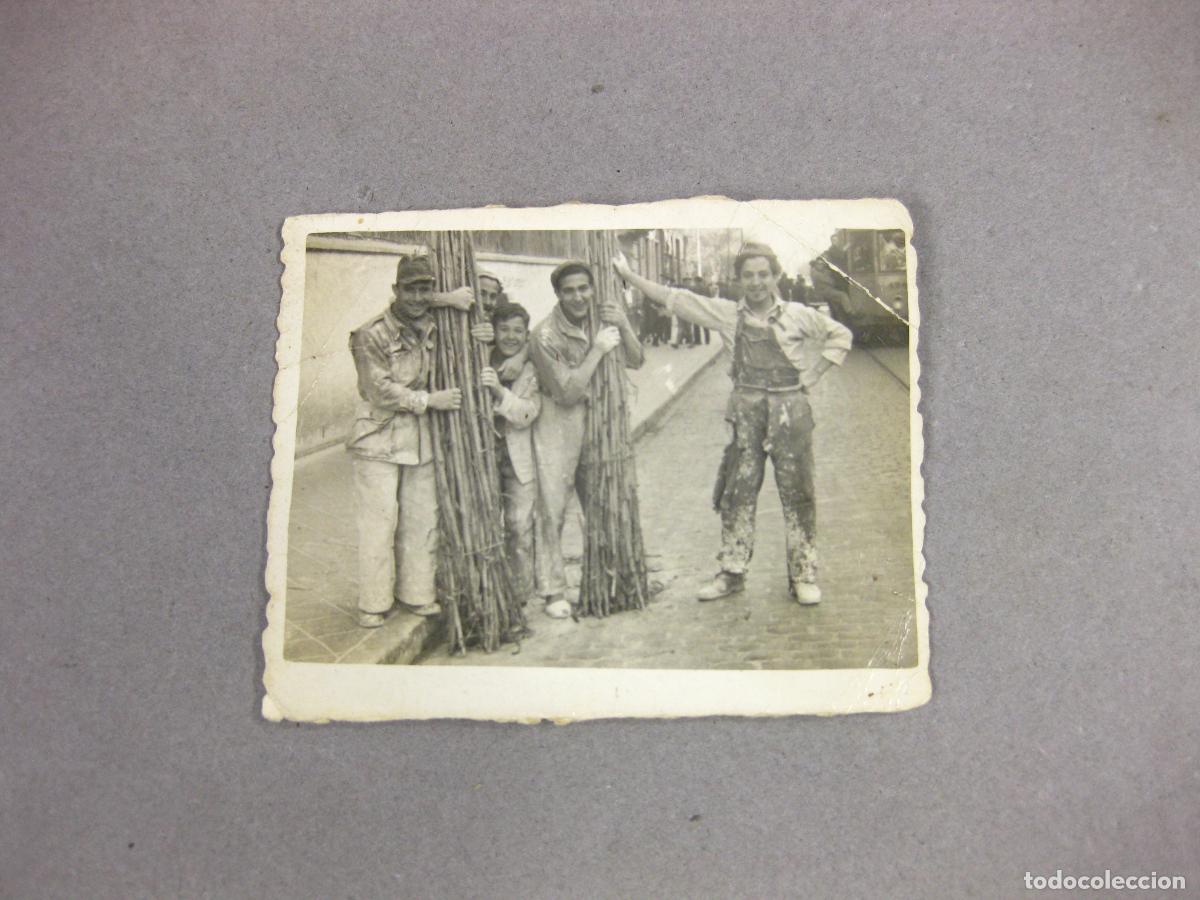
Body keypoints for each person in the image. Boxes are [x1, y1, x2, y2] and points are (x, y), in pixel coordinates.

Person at [613, 242, 852, 606]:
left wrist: (813, 376)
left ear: (775, 277)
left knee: (798, 492)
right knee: (737, 492)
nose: (756, 283)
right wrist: (628, 275)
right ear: (738, 281)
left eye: (763, 275)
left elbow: (841, 336)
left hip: (791, 409)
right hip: (745, 409)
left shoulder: (798, 315)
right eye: (747, 276)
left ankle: (803, 575)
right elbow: (675, 298)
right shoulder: (726, 314)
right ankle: (732, 572)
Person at [346, 254, 485, 628]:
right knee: (379, 523)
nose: (419, 297)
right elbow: (377, 390)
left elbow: (467, 310)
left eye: (426, 289)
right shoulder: (370, 334)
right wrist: (427, 401)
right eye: (411, 289)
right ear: (395, 290)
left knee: (422, 519)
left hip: (420, 440)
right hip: (377, 439)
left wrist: (462, 314)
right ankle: (374, 602)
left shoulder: (434, 324)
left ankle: (417, 594)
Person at [529, 260, 644, 618]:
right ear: (558, 295)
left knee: (601, 503)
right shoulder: (544, 335)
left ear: (593, 288)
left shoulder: (603, 318)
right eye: (569, 291)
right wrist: (596, 350)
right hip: (558, 424)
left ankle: (608, 579)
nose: (578, 297)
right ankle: (552, 591)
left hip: (600, 421)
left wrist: (622, 324)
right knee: (553, 507)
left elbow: (637, 360)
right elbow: (565, 392)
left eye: (584, 288)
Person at [479, 302, 541, 606]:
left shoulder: (531, 369)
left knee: (519, 526)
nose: (510, 336)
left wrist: (500, 393)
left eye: (518, 331)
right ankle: (490, 591)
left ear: (526, 334)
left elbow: (528, 413)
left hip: (518, 459)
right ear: (494, 331)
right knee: (487, 524)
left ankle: (520, 595)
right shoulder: (478, 359)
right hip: (484, 456)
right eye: (504, 329)